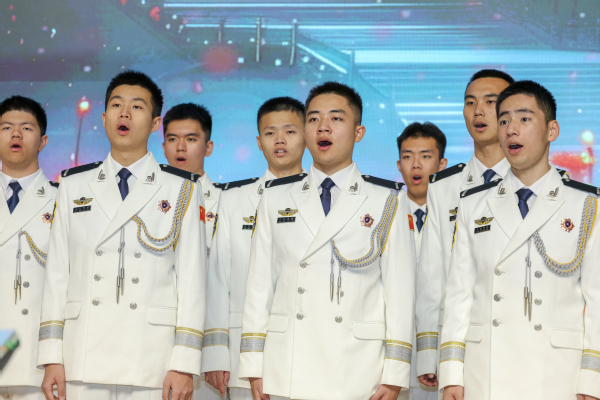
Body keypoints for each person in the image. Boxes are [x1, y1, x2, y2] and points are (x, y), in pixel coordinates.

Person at [239, 82, 417, 400]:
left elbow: (400, 293)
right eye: (313, 119)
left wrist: (395, 375)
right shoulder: (275, 196)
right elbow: (258, 287)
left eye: (336, 118)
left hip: (359, 368)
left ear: (358, 132)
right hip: (287, 365)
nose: (323, 127)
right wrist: (254, 367)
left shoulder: (386, 198)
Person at [38, 70, 207, 400]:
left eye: (137, 106)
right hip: (81, 353)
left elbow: (192, 280)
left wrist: (184, 364)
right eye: (116, 105)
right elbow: (57, 275)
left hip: (152, 358)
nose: (125, 114)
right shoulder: (72, 185)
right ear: (104, 118)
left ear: (156, 123)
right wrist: (51, 357)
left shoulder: (181, 188)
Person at [440, 81, 600, 400]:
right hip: (484, 372)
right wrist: (451, 374)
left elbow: (597, 300)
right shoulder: (473, 203)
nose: (511, 129)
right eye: (504, 120)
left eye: (524, 119)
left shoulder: (586, 205)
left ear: (552, 130)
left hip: (558, 374)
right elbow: (459, 295)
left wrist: (592, 380)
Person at [202, 97, 307, 400]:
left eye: (289, 131)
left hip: (307, 350)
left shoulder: (326, 198)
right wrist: (215, 352)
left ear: (306, 136)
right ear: (259, 142)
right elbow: (218, 279)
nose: (280, 140)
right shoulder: (234, 198)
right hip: (242, 353)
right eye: (270, 133)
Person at [415, 69, 514, 388]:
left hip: (524, 340)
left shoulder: (542, 183)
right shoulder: (443, 187)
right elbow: (431, 275)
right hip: (461, 345)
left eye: (490, 101)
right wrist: (429, 354)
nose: (478, 111)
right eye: (470, 102)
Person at [0, 96, 56, 400]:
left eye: (26, 127)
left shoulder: (65, 200)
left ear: (43, 141)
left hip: (37, 359)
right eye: (6, 127)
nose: (15, 134)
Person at [396, 122, 447, 400]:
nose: (416, 165)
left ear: (442, 164)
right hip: (394, 355)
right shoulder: (383, 212)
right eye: (408, 156)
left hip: (443, 352)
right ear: (399, 164)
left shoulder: (460, 214)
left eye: (426, 156)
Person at [162, 103, 223, 261]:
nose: (180, 147)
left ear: (208, 148)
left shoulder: (225, 202)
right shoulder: (149, 198)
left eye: (190, 139)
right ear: (164, 147)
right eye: (173, 139)